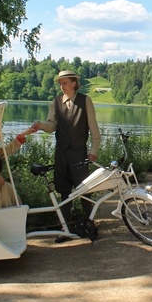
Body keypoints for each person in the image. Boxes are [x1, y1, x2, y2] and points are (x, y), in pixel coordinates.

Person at [32, 70, 102, 242]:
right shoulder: (55, 102)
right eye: (60, 83)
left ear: (73, 83)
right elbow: (52, 125)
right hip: (61, 154)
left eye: (64, 82)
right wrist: (40, 125)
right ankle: (65, 228)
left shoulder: (85, 101)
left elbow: (94, 129)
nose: (61, 86)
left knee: (85, 191)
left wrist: (94, 151)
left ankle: (90, 224)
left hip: (80, 154)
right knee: (64, 192)